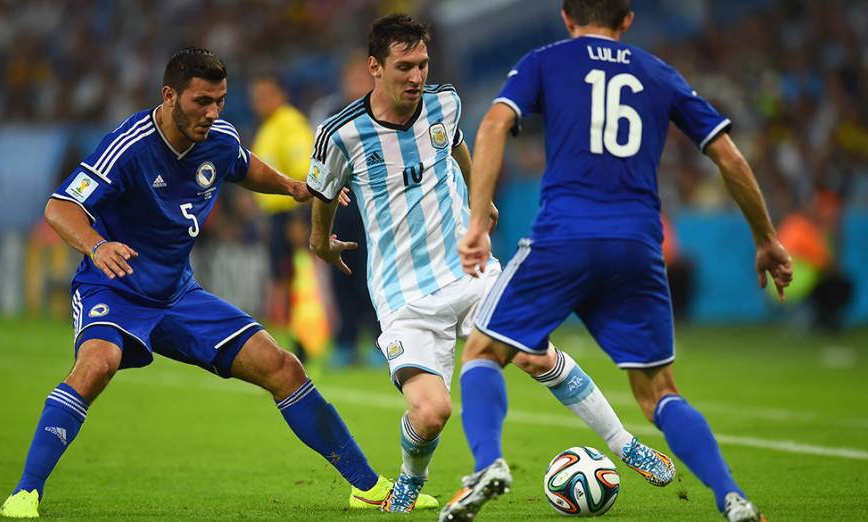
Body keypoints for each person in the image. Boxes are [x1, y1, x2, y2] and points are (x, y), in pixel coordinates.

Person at [0, 48, 404, 519]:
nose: (212, 113)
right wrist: (95, 246)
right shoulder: (129, 145)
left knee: (283, 367)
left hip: (178, 293)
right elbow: (60, 207)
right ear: (169, 96)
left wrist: (293, 187)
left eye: (221, 101)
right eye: (202, 102)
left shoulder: (219, 137)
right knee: (96, 366)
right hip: (115, 288)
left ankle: (369, 487)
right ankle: (26, 492)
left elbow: (244, 164)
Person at [307, 13, 675, 514]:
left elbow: (457, 143)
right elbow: (322, 192)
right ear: (375, 66)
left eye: (422, 64)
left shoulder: (445, 101)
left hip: (471, 271)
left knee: (535, 355)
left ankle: (624, 444)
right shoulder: (340, 133)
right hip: (403, 295)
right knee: (432, 412)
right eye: (404, 67)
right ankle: (411, 481)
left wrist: (482, 203)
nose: (416, 77)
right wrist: (320, 240)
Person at [442, 1, 793, 521]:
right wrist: (765, 238)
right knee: (659, 393)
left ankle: (488, 463)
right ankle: (731, 496)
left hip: (563, 239)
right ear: (628, 19)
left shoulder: (546, 60)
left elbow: (494, 126)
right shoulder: (658, 73)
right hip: (638, 246)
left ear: (566, 16)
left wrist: (475, 222)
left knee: (482, 352)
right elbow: (729, 157)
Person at [308, 53, 379, 367]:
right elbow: (317, 166)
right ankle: (346, 343)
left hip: (373, 212)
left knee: (372, 278)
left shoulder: (382, 112)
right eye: (352, 79)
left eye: (362, 79)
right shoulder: (328, 114)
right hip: (338, 211)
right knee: (341, 278)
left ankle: (381, 343)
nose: (357, 85)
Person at [249, 75, 315, 334]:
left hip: (292, 214)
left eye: (266, 96)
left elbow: (304, 174)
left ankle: (305, 336)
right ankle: (294, 332)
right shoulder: (270, 127)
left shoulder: (290, 125)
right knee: (283, 277)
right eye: (256, 98)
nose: (260, 103)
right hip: (277, 215)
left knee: (298, 277)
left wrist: (299, 219)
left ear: (281, 95)